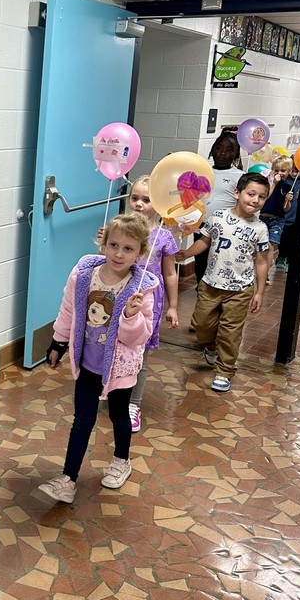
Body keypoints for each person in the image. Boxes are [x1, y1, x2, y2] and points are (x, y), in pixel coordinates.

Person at [37, 213, 158, 504]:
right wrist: (58, 342)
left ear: (140, 253)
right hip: (88, 364)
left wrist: (130, 315)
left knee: (119, 416)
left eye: (128, 248)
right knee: (82, 420)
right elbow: (69, 311)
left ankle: (121, 460)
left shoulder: (141, 288)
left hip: (120, 368)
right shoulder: (83, 275)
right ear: (102, 243)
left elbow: (139, 337)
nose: (118, 253)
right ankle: (67, 479)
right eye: (113, 245)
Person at [177, 174, 270, 393]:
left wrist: (259, 292)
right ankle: (210, 346)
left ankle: (224, 370)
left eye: (262, 197)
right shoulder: (218, 217)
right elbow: (204, 241)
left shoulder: (260, 229)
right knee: (201, 325)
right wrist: (186, 254)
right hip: (210, 284)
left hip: (240, 289)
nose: (255, 200)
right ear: (237, 194)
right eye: (251, 194)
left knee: (230, 332)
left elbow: (262, 261)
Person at [123, 176, 179, 432]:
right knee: (119, 348)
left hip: (149, 304)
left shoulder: (164, 237)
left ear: (158, 204)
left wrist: (173, 306)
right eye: (134, 198)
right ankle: (116, 392)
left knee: (141, 356)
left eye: (146, 200)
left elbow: (170, 274)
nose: (138, 204)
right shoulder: (121, 230)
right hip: (122, 297)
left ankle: (134, 403)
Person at [192, 132, 243, 287]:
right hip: (202, 225)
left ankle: (219, 292)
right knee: (201, 261)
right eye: (219, 148)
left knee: (222, 261)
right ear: (212, 149)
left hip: (226, 228)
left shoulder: (240, 176)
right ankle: (201, 290)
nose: (222, 153)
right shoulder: (202, 171)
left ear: (235, 155)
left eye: (229, 150)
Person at [260, 155, 293, 280]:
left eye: (283, 171)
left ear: (289, 171)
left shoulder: (288, 186)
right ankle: (266, 263)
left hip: (277, 218)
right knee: (262, 246)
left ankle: (265, 275)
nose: (279, 173)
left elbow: (286, 208)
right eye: (276, 170)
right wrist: (274, 183)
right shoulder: (268, 182)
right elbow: (265, 197)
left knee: (271, 245)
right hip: (263, 216)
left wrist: (288, 200)